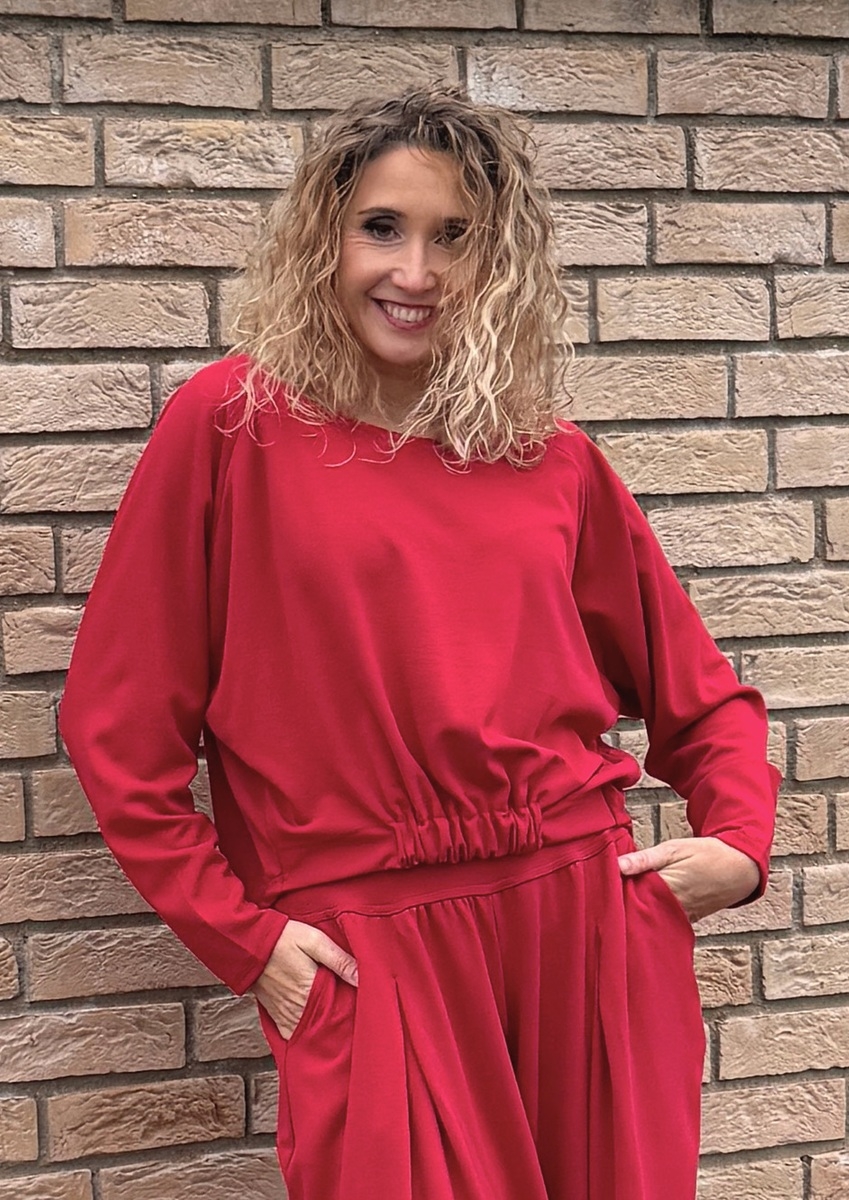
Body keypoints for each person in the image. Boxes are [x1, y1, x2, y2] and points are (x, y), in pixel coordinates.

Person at [60, 89, 780, 1200]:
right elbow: (118, 729)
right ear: (324, 237)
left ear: (500, 263)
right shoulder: (230, 425)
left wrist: (737, 840)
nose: (416, 271)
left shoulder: (545, 453)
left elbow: (700, 693)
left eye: (455, 237)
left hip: (585, 932)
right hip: (371, 953)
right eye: (382, 227)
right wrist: (246, 939)